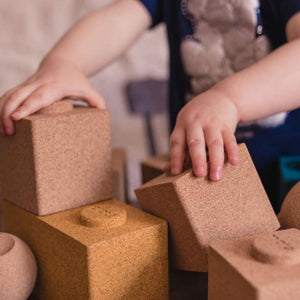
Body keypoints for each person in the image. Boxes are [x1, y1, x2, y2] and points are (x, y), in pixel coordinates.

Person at [1, 0, 300, 210]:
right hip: (201, 174)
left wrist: (229, 98)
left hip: (286, 174)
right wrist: (65, 62)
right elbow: (120, 17)